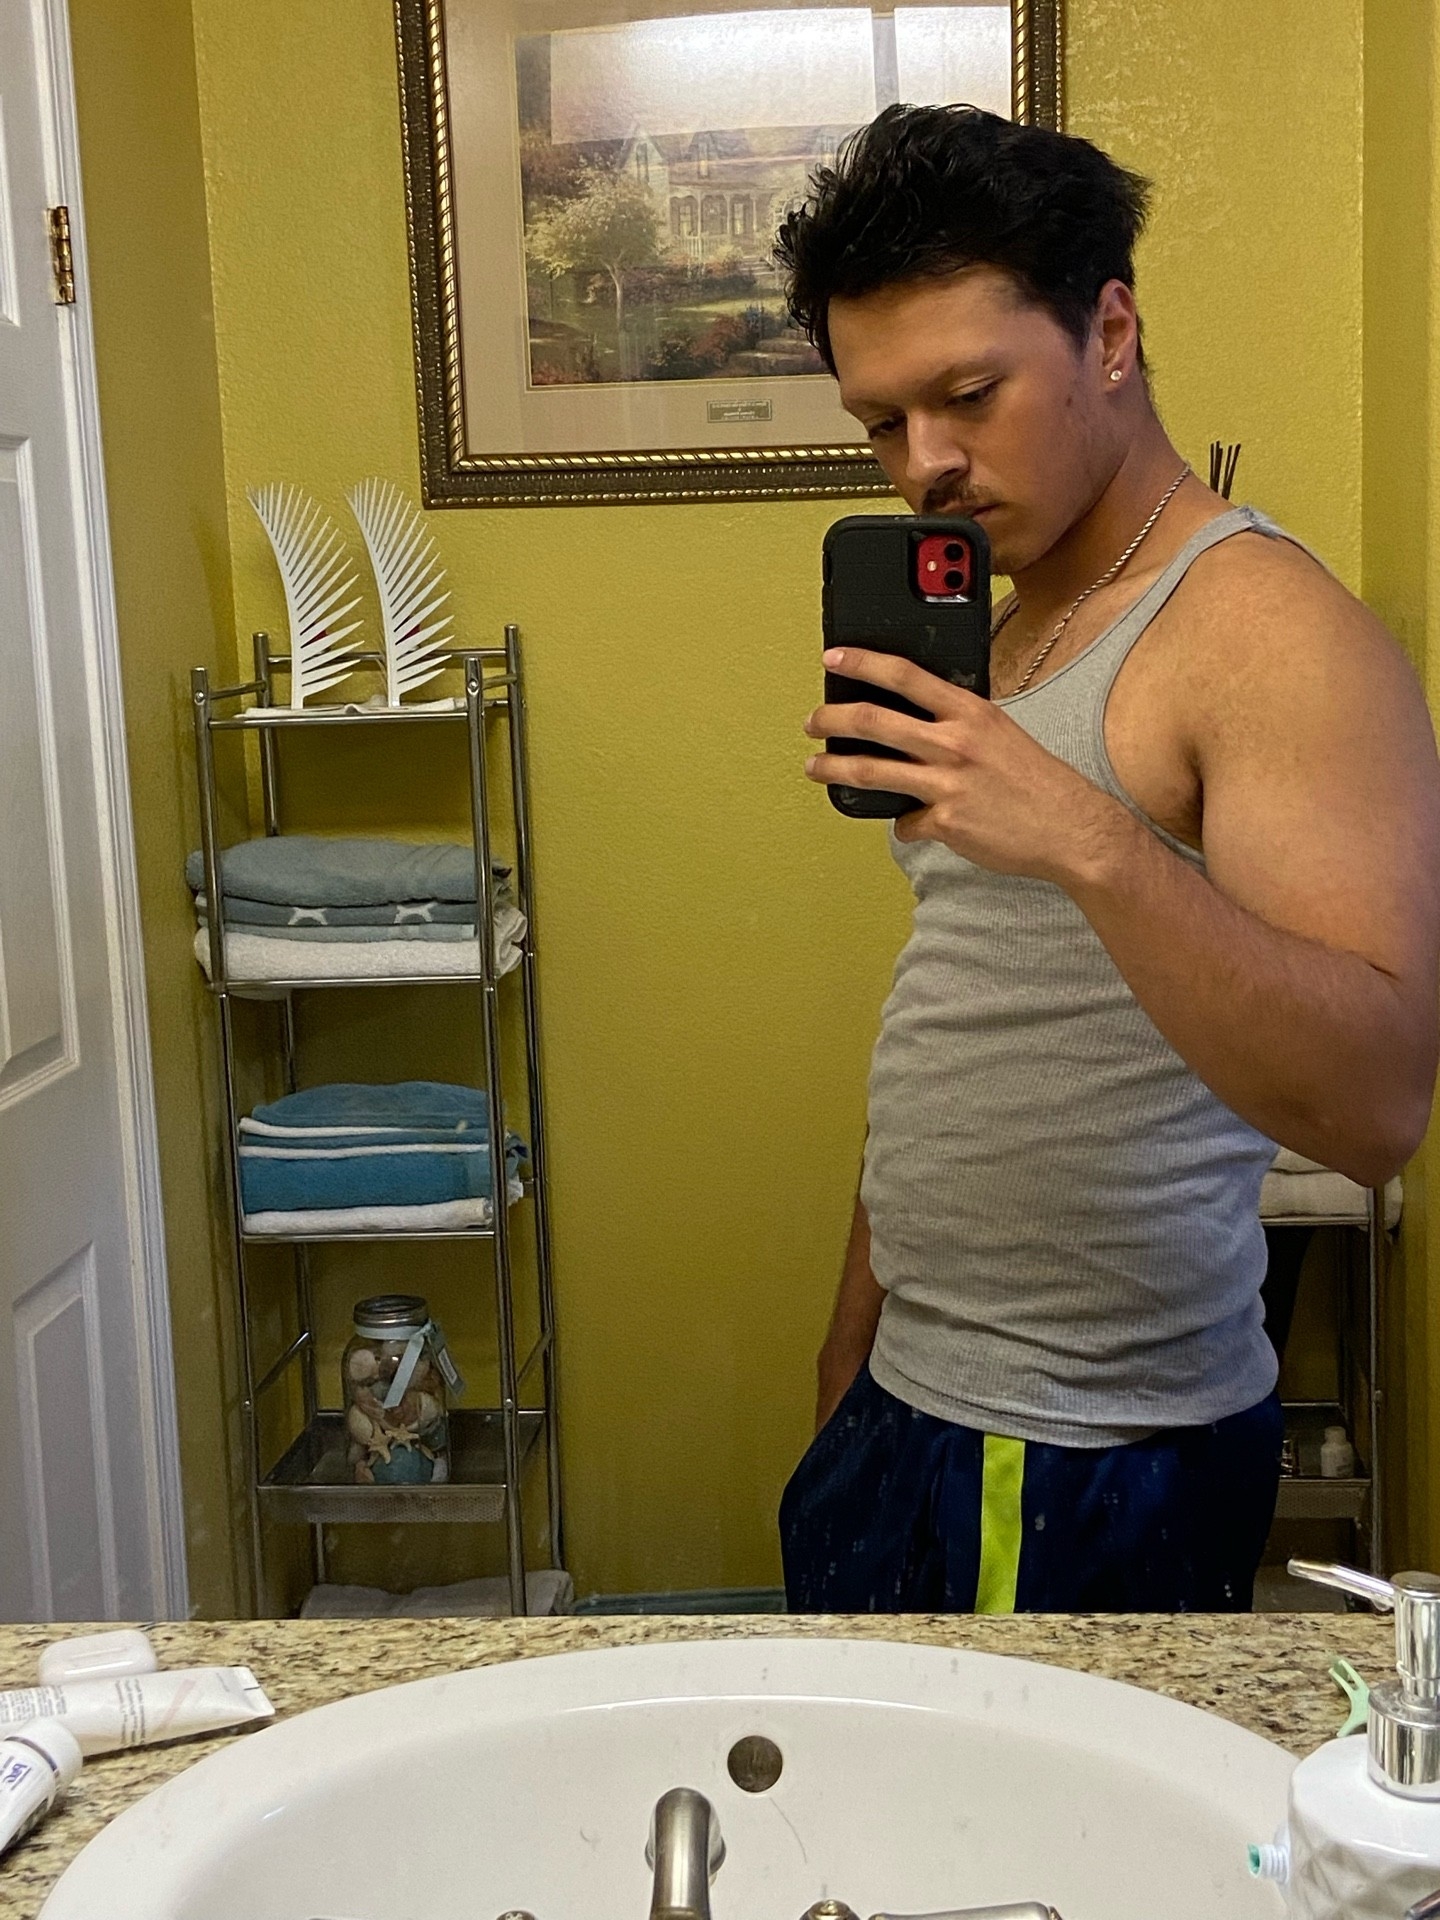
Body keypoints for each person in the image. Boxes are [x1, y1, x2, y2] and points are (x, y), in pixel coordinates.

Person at [774, 105, 1440, 1613]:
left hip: (1085, 1441)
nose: (923, 466)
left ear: (1112, 333)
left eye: (968, 395)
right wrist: (852, 1351)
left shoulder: (1267, 634)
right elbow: (970, 1001)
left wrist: (1087, 838)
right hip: (910, 1398)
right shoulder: (1003, 626)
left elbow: (1377, 1105)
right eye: (881, 422)